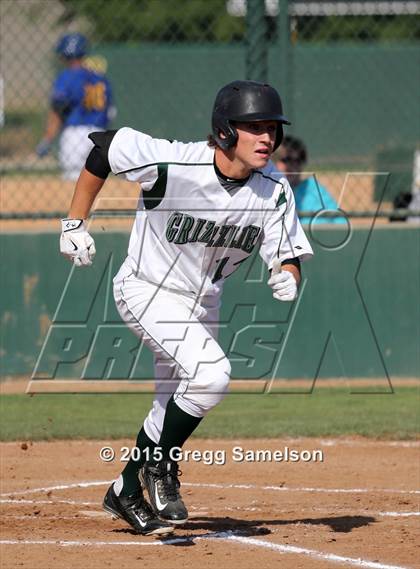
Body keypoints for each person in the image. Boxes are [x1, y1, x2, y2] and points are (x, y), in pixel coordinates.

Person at [59, 80, 314, 536]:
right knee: (212, 375)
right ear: (223, 132)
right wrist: (74, 222)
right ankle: (158, 471)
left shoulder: (273, 190)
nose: (267, 137)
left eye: (271, 127)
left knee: (171, 403)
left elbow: (287, 254)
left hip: (203, 303)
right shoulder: (174, 162)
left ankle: (125, 490)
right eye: (253, 127)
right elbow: (103, 148)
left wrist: (287, 275)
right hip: (146, 288)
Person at [36, 33, 114, 181]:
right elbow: (110, 112)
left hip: (74, 133)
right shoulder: (100, 77)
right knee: (94, 181)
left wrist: (47, 139)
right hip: (99, 134)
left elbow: (58, 110)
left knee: (72, 182)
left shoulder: (66, 76)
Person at [272, 135, 345, 224]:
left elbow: (341, 221)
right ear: (274, 161)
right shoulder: (267, 189)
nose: (292, 166)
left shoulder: (313, 188)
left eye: (298, 160)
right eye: (287, 159)